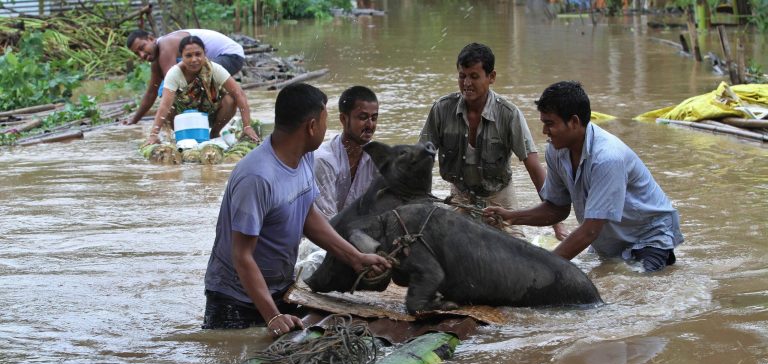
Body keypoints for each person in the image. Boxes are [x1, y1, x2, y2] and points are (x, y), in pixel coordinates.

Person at [202, 83, 390, 335]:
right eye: (324, 121)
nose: (326, 129)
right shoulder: (257, 177)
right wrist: (273, 317)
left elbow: (308, 215)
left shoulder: (304, 156)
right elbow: (241, 255)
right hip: (235, 300)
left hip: (280, 288)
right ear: (311, 127)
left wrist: (355, 258)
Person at [484, 81, 684, 272]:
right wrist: (511, 217)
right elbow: (557, 209)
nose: (545, 131)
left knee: (635, 287)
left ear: (574, 122)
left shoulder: (607, 158)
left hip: (648, 236)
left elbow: (590, 230)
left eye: (550, 124)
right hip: (609, 240)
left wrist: (544, 267)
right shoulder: (556, 150)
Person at [419, 42, 566, 240]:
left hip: (499, 198)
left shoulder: (509, 115)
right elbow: (420, 159)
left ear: (491, 77)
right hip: (460, 196)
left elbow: (533, 168)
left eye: (474, 76)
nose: (467, 83)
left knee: (518, 253)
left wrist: (557, 223)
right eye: (462, 76)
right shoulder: (441, 109)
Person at [142, 35, 259, 146]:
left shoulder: (215, 69)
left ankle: (214, 133)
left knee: (230, 99)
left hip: (210, 112)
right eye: (188, 56)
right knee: (169, 106)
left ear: (205, 54)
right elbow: (164, 106)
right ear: (181, 56)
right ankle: (180, 136)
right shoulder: (174, 74)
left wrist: (247, 126)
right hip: (184, 117)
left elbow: (239, 94)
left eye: (198, 54)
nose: (194, 60)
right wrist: (153, 134)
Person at [125, 28, 246, 126]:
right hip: (217, 58)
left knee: (183, 94)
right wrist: (134, 120)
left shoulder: (165, 45)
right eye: (137, 53)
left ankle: (206, 127)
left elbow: (173, 87)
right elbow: (151, 93)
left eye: (142, 48)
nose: (142, 54)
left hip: (230, 55)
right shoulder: (157, 60)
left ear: (151, 39)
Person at [313, 85, 380, 219]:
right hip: (321, 236)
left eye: (374, 118)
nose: (370, 125)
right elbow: (328, 222)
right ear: (343, 119)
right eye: (363, 117)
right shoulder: (323, 161)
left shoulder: (377, 157)